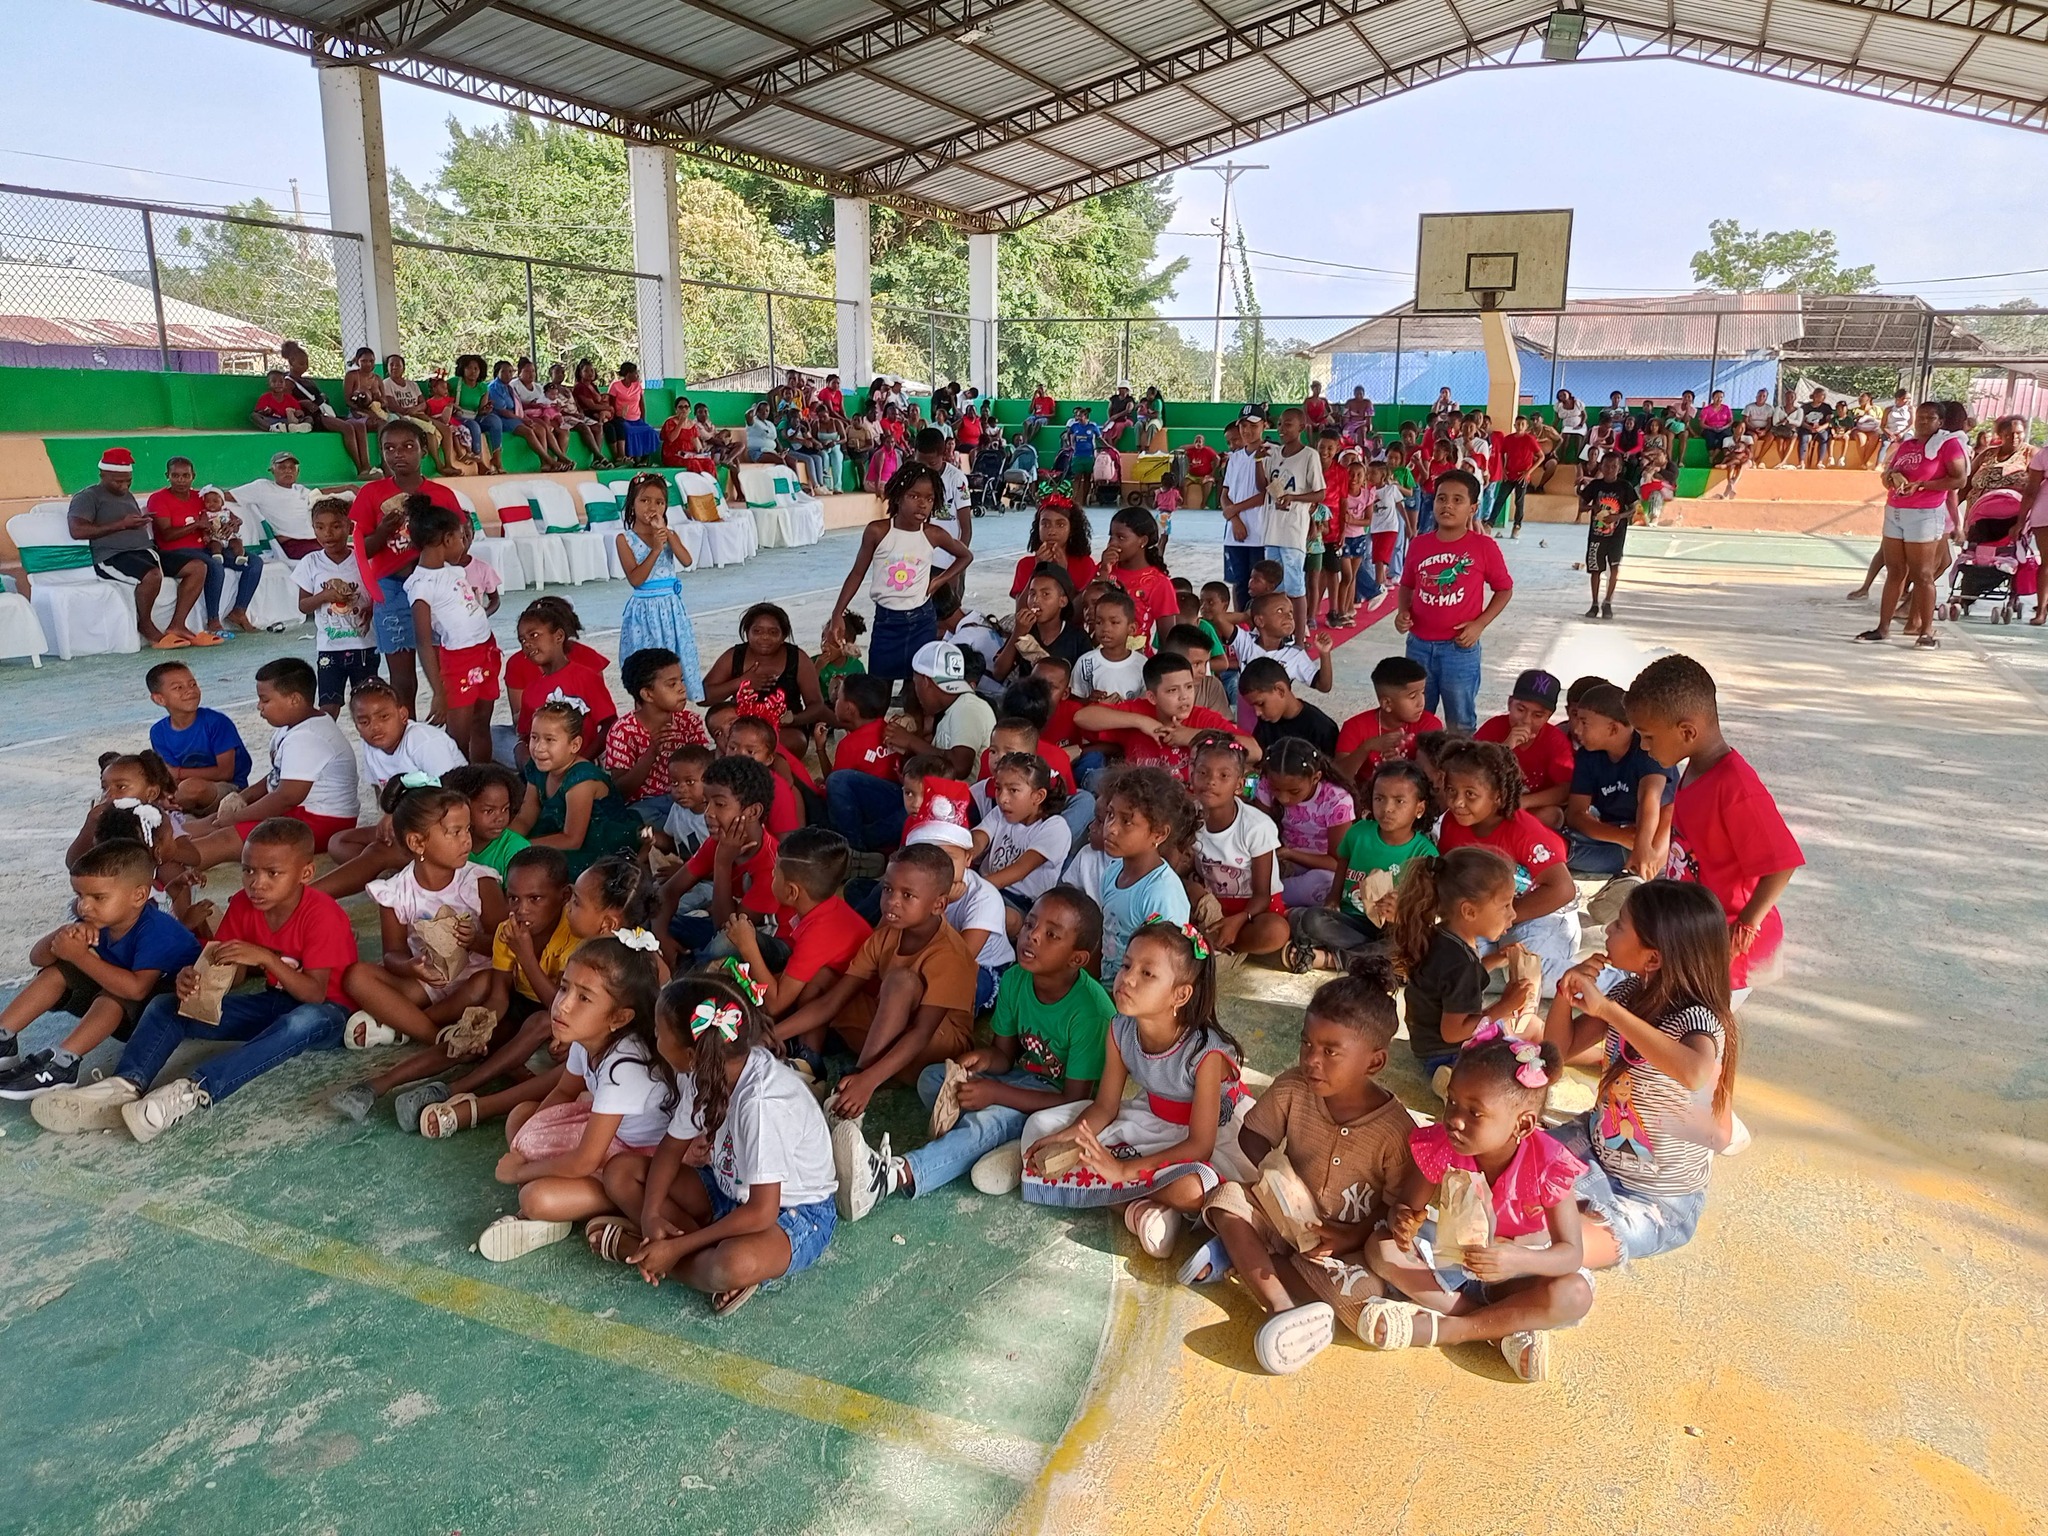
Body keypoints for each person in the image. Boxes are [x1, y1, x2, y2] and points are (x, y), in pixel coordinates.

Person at [36, 817, 359, 1141]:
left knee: (300, 1021)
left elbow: (315, 995)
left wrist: (265, 958)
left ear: (306, 873)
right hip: (274, 1002)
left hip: (330, 1014)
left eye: (272, 873)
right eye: (248, 870)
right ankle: (123, 1086)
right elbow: (232, 974)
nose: (257, 883)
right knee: (166, 1006)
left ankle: (193, 1090)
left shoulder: (322, 914)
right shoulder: (244, 904)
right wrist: (194, 978)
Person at [1183, 957, 1420, 1373]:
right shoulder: (1294, 1086)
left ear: (1374, 1062)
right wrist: (1276, 1174)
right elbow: (1252, 1134)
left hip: (1342, 1244)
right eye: (1307, 1044)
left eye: (1330, 1051)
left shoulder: (1396, 1130)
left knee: (1363, 1291)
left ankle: (1242, 1258)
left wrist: (1350, 1236)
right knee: (1227, 1198)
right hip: (1283, 1218)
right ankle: (1280, 1306)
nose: (1312, 1060)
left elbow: (1394, 1203)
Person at [1357, 1028, 1590, 1381]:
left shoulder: (1549, 1164)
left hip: (1516, 1272)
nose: (1454, 1119)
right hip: (1454, 1261)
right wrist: (1402, 1221)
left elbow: (1570, 1254)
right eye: (1451, 1101)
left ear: (1523, 1124)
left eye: (1475, 1112)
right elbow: (1406, 1208)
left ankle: (1452, 1329)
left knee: (1574, 1293)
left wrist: (1514, 1260)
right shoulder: (1444, 1144)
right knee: (1381, 1248)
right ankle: (1498, 1329)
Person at [1019, 920, 1254, 1261]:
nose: (1127, 979)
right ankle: (1143, 1211)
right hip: (1151, 1119)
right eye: (1127, 965)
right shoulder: (1120, 1029)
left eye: (1147, 974)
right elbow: (1105, 1107)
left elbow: (1200, 1145)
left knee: (1192, 1190)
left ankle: (1133, 1201)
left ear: (1180, 995)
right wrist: (1070, 1137)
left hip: (1212, 1136)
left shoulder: (1206, 1053)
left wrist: (1124, 1171)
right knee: (1040, 1128)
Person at [1545, 880, 1737, 1273]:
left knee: (1557, 1243)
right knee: (1509, 1169)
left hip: (1656, 1200)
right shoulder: (1630, 992)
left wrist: (1608, 1011)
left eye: (1620, 925)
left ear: (1653, 958)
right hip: (1596, 1148)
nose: (1608, 930)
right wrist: (1566, 993)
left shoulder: (1698, 1021)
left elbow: (1694, 1072)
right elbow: (1557, 1053)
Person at [472, 935, 671, 1262]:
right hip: (608, 1138)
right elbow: (564, 1091)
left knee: (535, 1198)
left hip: (638, 1162)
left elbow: (584, 1162)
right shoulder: (586, 1037)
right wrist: (529, 1143)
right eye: (564, 988)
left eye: (584, 998)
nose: (563, 1005)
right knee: (521, 1117)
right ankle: (561, 1206)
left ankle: (597, 1204)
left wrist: (520, 1172)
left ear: (619, 1018)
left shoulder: (625, 1066)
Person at [1625, 655, 1802, 1002]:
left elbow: (1782, 864)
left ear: (1687, 732)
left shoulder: (1736, 788)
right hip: (1695, 933)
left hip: (1725, 949)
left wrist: (1746, 925)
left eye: (1648, 737)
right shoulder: (1695, 768)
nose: (1644, 747)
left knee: (1693, 1028)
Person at [775, 843, 979, 1123]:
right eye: (887, 889)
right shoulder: (885, 936)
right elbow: (833, 1000)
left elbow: (921, 1032)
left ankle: (856, 1084)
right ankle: (809, 1064)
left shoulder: (950, 953)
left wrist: (866, 1078)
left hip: (935, 1052)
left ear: (939, 905)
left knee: (901, 982)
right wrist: (772, 1033)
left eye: (907, 895)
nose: (892, 901)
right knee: (825, 978)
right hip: (891, 1034)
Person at [0, 838, 201, 1103]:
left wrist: (80, 955)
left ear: (139, 896)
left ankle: (64, 1064)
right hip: (124, 1004)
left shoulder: (157, 930)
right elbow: (38, 958)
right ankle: (4, 1038)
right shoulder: (102, 919)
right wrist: (64, 936)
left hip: (164, 1015)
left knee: (115, 991)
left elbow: (136, 990)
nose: (84, 906)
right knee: (61, 969)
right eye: (79, 896)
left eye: (98, 897)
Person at [338, 779, 506, 1049]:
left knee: (485, 983)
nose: (467, 840)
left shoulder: (479, 882)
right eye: (454, 832)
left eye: (468, 829)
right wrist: (411, 966)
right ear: (417, 842)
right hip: (428, 985)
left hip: (476, 979)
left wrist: (475, 941)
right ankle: (435, 1037)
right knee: (357, 977)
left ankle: (405, 1024)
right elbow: (392, 954)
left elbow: (506, 944)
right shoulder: (395, 893)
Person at [168, 658, 361, 869]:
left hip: (323, 822)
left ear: (294, 700)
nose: (259, 706)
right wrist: (243, 798)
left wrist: (236, 818)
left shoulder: (308, 737)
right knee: (216, 820)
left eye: (265, 700)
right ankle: (163, 839)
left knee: (225, 837)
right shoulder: (294, 726)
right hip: (302, 813)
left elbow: (286, 798)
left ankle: (166, 862)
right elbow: (277, 775)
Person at [1433, 739, 1580, 989]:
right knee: (1453, 967)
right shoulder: (1451, 823)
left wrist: (1507, 917)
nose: (1457, 802)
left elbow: (1562, 890)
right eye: (1451, 791)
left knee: (1526, 972)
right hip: (1488, 916)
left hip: (1543, 915)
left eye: (1470, 794)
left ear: (1498, 797)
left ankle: (1612, 982)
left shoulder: (1523, 830)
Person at [821, 463, 971, 685]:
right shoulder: (877, 531)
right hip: (887, 623)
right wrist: (837, 613)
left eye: (930, 499)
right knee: (879, 686)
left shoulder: (933, 534)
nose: (923, 504)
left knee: (917, 687)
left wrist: (939, 581)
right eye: (914, 496)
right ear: (898, 496)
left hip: (922, 621)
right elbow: (857, 574)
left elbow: (965, 556)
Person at [350, 418, 462, 712]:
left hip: (438, 590)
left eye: (408, 446)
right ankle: (405, 731)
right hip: (392, 589)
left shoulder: (442, 495)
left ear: (424, 449)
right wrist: (383, 531)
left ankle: (451, 735)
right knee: (402, 680)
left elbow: (460, 543)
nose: (398, 454)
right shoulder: (371, 493)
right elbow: (363, 550)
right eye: (389, 448)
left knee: (445, 671)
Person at [1286, 759, 1436, 974]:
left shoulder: (1424, 853)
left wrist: (1401, 913)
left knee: (1405, 945)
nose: (1387, 809)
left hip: (1391, 929)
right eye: (1379, 798)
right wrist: (1333, 898)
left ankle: (1331, 959)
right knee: (1313, 920)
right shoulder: (1359, 832)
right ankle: (1371, 958)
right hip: (1352, 920)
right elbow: (1343, 861)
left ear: (1419, 808)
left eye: (1399, 801)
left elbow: (1426, 909)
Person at [1394, 469, 1512, 732]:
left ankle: (1459, 758)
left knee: (1460, 720)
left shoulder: (1484, 547)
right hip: (1418, 646)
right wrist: (1403, 612)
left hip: (1459, 650)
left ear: (1473, 508)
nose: (1447, 505)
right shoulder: (1419, 544)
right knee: (1416, 717)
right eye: (1441, 498)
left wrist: (1479, 624)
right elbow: (1407, 585)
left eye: (1458, 500)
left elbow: (1504, 589)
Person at [69, 447, 211, 650]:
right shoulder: (87, 497)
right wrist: (122, 524)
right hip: (112, 556)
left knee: (198, 567)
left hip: (146, 551)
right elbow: (77, 530)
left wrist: (140, 522)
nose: (124, 486)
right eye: (118, 481)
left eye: (128, 481)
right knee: (152, 575)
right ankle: (145, 625)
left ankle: (177, 625)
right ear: (102, 475)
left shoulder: (126, 495)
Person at [1856, 400, 1969, 648]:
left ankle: (1925, 632)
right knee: (1895, 571)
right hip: (1896, 510)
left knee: (1923, 574)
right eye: (1920, 417)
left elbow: (1959, 480)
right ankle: (1883, 628)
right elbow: (1889, 473)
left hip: (1925, 513)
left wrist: (1923, 485)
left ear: (1940, 422)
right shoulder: (1907, 445)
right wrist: (1890, 478)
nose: (1924, 422)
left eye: (1930, 418)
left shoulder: (1948, 445)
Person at [403, 500, 501, 764]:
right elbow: (423, 643)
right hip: (459, 662)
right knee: (458, 736)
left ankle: (482, 775)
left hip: (485, 650)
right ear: (447, 539)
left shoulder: (453, 571)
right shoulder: (421, 585)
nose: (464, 543)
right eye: (461, 537)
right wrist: (438, 692)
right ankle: (458, 779)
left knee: (482, 721)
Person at [514, 700, 643, 879]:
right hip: (558, 831)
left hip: (594, 842)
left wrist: (522, 846)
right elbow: (526, 816)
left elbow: (573, 839)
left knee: (550, 873)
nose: (539, 747)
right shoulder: (538, 768)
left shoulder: (581, 780)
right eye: (534, 737)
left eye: (549, 740)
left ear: (574, 745)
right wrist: (504, 841)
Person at [1186, 740, 1287, 961]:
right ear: (1192, 776)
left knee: (1275, 930)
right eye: (1203, 773)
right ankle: (1214, 942)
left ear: (1239, 785)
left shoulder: (1256, 826)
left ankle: (1219, 944)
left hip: (1253, 910)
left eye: (1224, 776)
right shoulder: (1189, 816)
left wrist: (1239, 919)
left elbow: (1262, 895)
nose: (1211, 781)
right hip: (1210, 905)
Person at [1564, 682, 1671, 878]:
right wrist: (1622, 837)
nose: (1577, 730)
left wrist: (1642, 846)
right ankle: (1630, 865)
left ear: (1613, 729)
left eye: (1584, 723)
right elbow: (1576, 813)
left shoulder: (1646, 747)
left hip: (1655, 835)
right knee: (1554, 845)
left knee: (1670, 813)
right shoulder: (1588, 755)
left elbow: (1650, 798)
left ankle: (1641, 869)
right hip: (1614, 834)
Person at [612, 473, 702, 700]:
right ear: (632, 503)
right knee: (647, 670)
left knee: (674, 663)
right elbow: (636, 579)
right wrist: (655, 549)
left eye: (659, 502)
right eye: (645, 500)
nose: (652, 507)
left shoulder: (669, 535)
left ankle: (674, 711)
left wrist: (666, 535)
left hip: (671, 611)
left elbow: (687, 560)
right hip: (644, 612)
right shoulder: (624, 539)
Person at [501, 596, 618, 767]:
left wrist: (580, 762)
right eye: (522, 640)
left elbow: (609, 724)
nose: (527, 644)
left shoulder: (585, 677)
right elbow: (525, 735)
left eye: (534, 635)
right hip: (546, 770)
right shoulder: (531, 691)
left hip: (583, 769)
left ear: (559, 636)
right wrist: (524, 759)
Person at [294, 495, 380, 715]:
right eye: (320, 527)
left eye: (336, 526)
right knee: (328, 705)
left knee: (367, 703)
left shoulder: (363, 560)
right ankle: (325, 737)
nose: (328, 533)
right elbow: (303, 605)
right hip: (329, 649)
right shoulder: (311, 562)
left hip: (365, 646)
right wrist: (325, 596)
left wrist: (372, 609)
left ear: (350, 527)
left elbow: (379, 594)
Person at [145, 659, 250, 816]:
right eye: (178, 688)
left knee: (191, 787)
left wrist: (179, 773)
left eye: (193, 684)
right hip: (184, 793)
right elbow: (170, 777)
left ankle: (163, 809)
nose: (190, 691)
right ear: (159, 699)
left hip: (228, 790)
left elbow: (225, 773)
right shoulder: (158, 732)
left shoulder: (216, 722)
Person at [1474, 668, 1574, 829]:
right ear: (1509, 703)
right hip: (1491, 803)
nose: (1526, 720)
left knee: (1552, 815)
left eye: (1538, 715)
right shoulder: (1493, 727)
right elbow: (1469, 770)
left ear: (1549, 716)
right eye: (1520, 710)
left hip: (1529, 808)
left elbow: (1565, 789)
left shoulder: (1556, 741)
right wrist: (1506, 748)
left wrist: (1524, 802)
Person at [1261, 407, 1325, 637]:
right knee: (1274, 584)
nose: (1282, 429)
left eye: (1288, 424)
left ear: (1301, 428)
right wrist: (1259, 460)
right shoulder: (1273, 454)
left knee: (1295, 585)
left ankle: (1299, 633)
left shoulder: (1309, 456)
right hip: (1272, 529)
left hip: (1293, 530)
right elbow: (1264, 485)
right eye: (1279, 424)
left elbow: (1320, 493)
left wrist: (1294, 498)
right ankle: (1278, 632)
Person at [1334, 655, 1441, 781]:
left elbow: (1434, 777)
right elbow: (1338, 776)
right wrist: (1366, 747)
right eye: (1412, 696)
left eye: (1422, 692)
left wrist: (1403, 766)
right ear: (1387, 704)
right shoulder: (1355, 726)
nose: (1421, 702)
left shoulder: (1429, 725)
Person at [280, 339, 371, 477]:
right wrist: (303, 403)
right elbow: (287, 401)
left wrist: (322, 397)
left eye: (307, 363)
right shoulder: (288, 382)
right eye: (301, 363)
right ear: (291, 362)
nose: (305, 366)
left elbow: (319, 397)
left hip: (324, 411)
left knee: (360, 425)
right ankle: (360, 469)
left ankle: (367, 466)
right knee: (347, 428)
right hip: (314, 417)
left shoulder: (307, 381)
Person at [231, 450, 335, 561]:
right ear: (272, 470)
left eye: (292, 468)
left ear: (297, 472)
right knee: (330, 558)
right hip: (293, 543)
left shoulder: (301, 490)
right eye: (282, 467)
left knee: (344, 554)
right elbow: (222, 496)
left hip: (317, 540)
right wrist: (230, 515)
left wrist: (346, 488)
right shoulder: (262, 487)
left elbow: (321, 493)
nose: (288, 471)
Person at [1238, 655, 1339, 758]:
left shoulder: (1323, 729)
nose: (1257, 712)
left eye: (1260, 704)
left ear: (1280, 690)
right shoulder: (1265, 724)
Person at [1220, 419, 1268, 610]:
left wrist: (1235, 509)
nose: (1233, 445)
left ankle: (1259, 620)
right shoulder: (1234, 459)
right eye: (1229, 442)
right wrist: (1234, 519)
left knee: (1260, 583)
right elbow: (1225, 495)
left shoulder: (1269, 453)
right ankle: (1241, 621)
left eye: (1235, 440)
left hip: (1259, 532)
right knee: (1239, 582)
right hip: (1235, 533)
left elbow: (1266, 494)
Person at [1796, 389, 1836, 471]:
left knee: (1824, 437)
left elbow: (1829, 422)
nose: (1821, 397)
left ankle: (1820, 462)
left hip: (1821, 428)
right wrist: (1810, 428)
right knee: (1804, 438)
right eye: (1819, 395)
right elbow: (1801, 422)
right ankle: (1801, 462)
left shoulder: (1826, 407)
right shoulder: (1805, 407)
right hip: (1807, 428)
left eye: (1822, 396)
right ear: (1814, 396)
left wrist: (1820, 428)